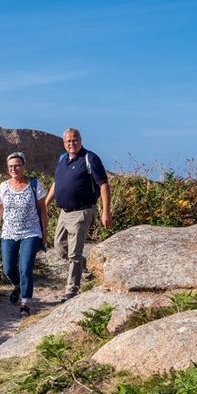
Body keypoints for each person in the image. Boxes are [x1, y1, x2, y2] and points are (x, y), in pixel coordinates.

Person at [44, 128, 111, 301]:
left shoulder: (90, 158)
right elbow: (56, 183)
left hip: (82, 211)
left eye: (75, 140)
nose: (71, 144)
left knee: (74, 253)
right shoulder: (63, 159)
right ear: (64, 143)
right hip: (64, 213)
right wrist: (44, 204)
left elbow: (103, 185)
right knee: (59, 247)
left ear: (80, 140)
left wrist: (106, 211)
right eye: (68, 141)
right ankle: (86, 267)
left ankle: (71, 290)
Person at [0, 152, 49, 315]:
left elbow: (43, 209)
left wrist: (45, 231)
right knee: (8, 269)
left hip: (31, 232)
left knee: (25, 268)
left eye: (17, 165)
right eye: (11, 167)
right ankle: (17, 285)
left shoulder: (35, 184)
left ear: (24, 166)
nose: (14, 169)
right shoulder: (3, 186)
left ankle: (25, 303)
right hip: (8, 233)